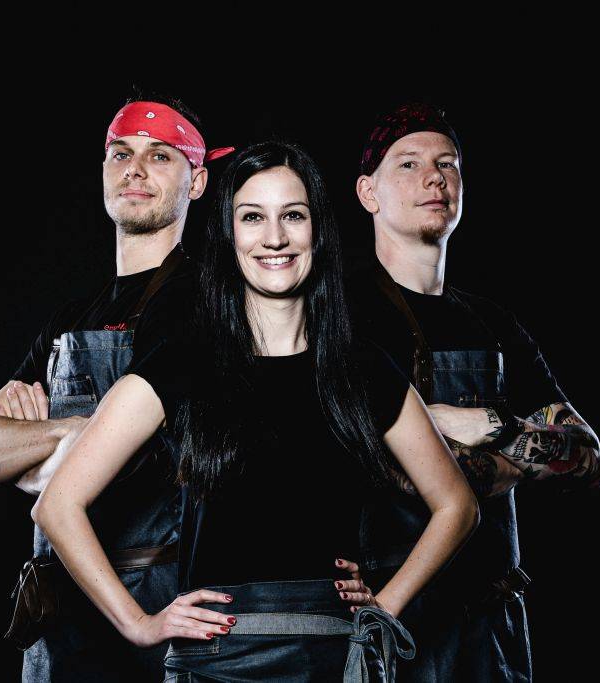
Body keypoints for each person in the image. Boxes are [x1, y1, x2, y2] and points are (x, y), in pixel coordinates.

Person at [31, 141, 480, 682]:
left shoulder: (362, 368)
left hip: (334, 661)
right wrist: (139, 623)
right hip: (217, 662)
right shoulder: (183, 364)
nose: (274, 237)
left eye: (293, 215)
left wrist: (385, 604)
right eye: (252, 217)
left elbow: (458, 506)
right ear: (229, 236)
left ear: (317, 231)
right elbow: (58, 505)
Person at [0, 91, 231, 681]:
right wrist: (74, 433)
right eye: (121, 153)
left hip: (156, 600)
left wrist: (33, 453)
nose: (135, 169)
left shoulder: (203, 304)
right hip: (57, 619)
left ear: (198, 181)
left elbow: (144, 470)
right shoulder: (71, 317)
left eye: (161, 155)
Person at [349, 102, 600, 681]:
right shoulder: (344, 317)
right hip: (393, 621)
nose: (434, 178)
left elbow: (589, 459)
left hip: (492, 630)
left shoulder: (491, 324)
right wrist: (519, 462)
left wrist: (487, 424)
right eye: (409, 163)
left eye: (447, 164)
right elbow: (365, 464)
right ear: (368, 193)